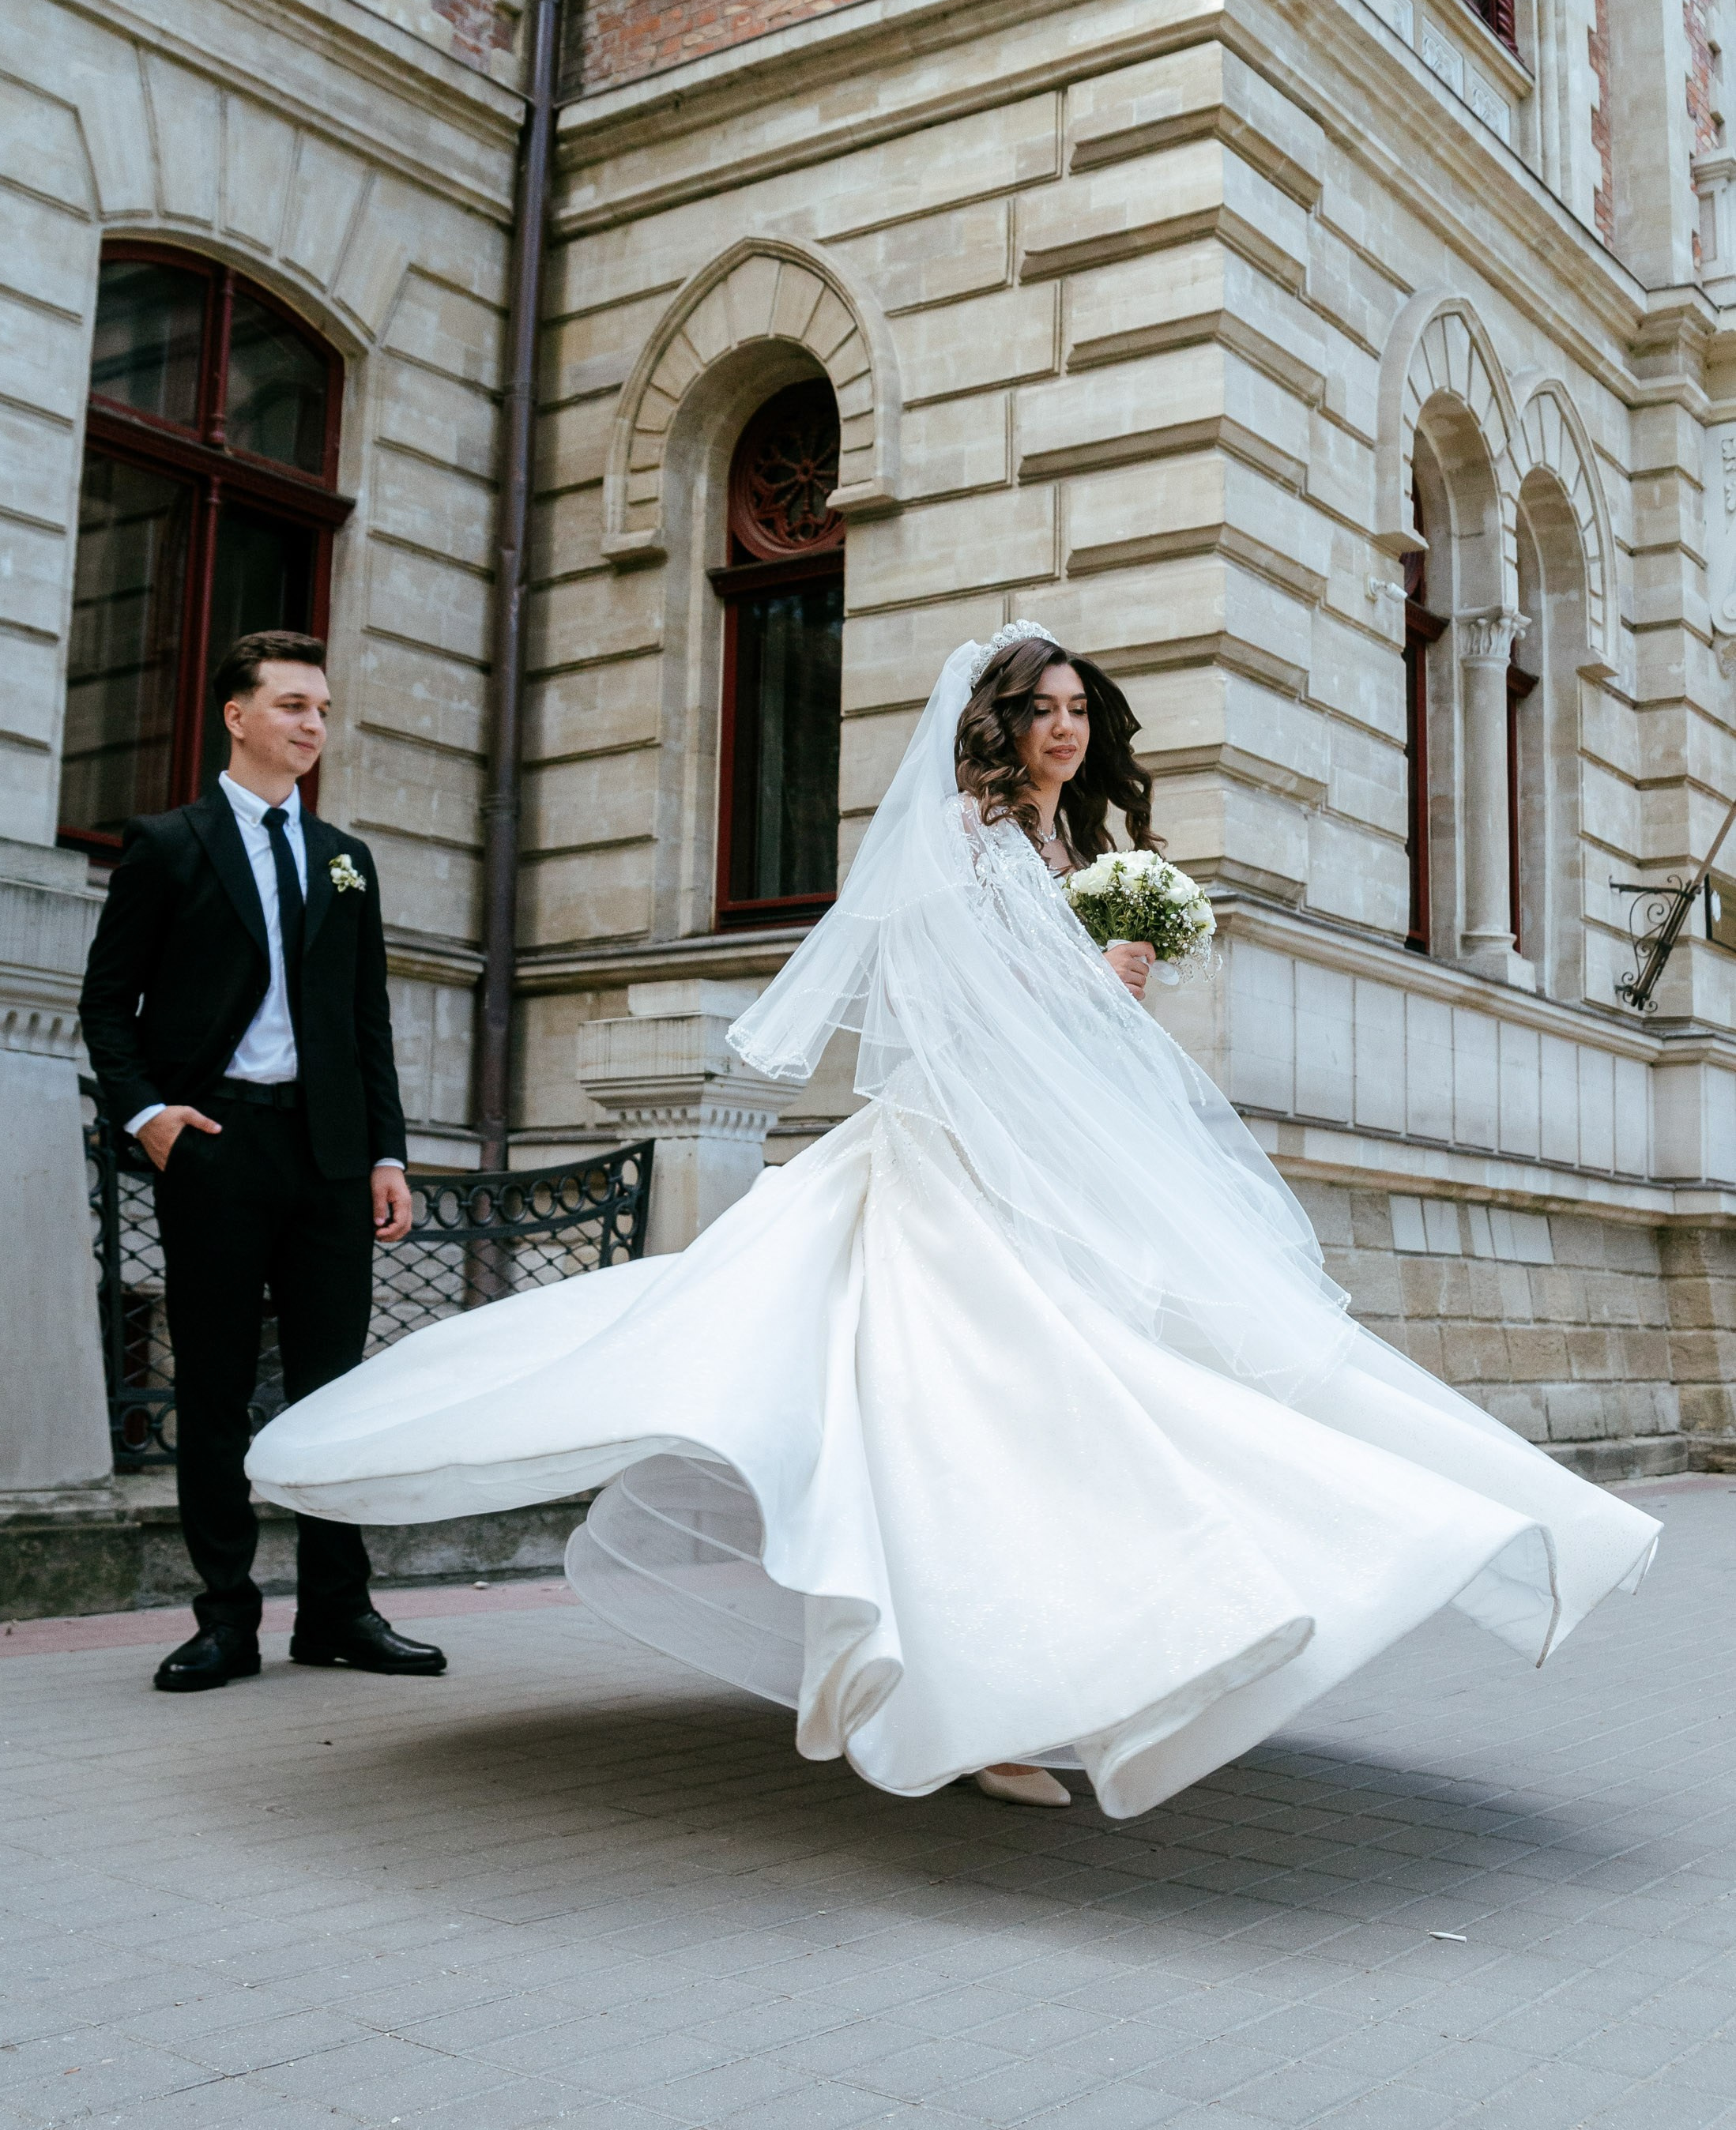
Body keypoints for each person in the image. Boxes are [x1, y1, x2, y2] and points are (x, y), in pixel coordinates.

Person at [247, 623, 1658, 1814]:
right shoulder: (961, 840)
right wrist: (1093, 981)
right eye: (1038, 710)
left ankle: (1099, 1664)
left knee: (1073, 1423)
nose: (1061, 728)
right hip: (953, 1170)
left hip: (1049, 1165)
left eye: (1075, 710)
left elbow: (1069, 1024)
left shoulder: (1072, 845)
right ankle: (976, 1707)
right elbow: (946, 1022)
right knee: (964, 1429)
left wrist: (1113, 975)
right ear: (992, 726)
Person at [80, 630, 447, 1695]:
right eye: (292, 706)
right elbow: (109, 1004)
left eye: (323, 710)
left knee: (337, 1393)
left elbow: (364, 1019)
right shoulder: (168, 845)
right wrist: (147, 1114)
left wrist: (387, 1152)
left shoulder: (346, 859)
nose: (313, 726)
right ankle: (224, 1620)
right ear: (237, 717)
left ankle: (337, 1612)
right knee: (219, 1386)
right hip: (217, 1144)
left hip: (330, 1155)